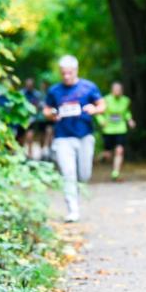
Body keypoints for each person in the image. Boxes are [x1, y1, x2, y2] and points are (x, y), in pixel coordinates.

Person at [44, 55, 105, 222]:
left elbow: (102, 105)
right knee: (68, 173)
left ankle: (76, 191)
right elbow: (46, 110)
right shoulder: (54, 90)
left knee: (84, 175)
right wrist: (52, 114)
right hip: (63, 137)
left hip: (84, 136)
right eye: (63, 73)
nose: (66, 76)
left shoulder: (88, 87)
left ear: (76, 71)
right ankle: (73, 209)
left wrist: (94, 109)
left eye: (69, 73)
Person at [96, 81, 136, 181]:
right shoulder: (105, 99)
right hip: (108, 130)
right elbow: (98, 112)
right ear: (112, 90)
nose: (117, 91)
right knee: (108, 154)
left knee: (119, 150)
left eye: (119, 90)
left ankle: (115, 172)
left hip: (120, 129)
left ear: (121, 90)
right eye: (115, 90)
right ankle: (100, 157)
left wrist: (129, 120)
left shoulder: (126, 100)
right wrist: (101, 121)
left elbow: (126, 112)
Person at [21, 78, 43, 160]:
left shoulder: (37, 95)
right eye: (27, 85)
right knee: (21, 137)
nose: (29, 86)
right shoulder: (21, 93)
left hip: (32, 118)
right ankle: (22, 153)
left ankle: (30, 153)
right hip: (22, 118)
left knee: (30, 135)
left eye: (30, 85)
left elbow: (40, 106)